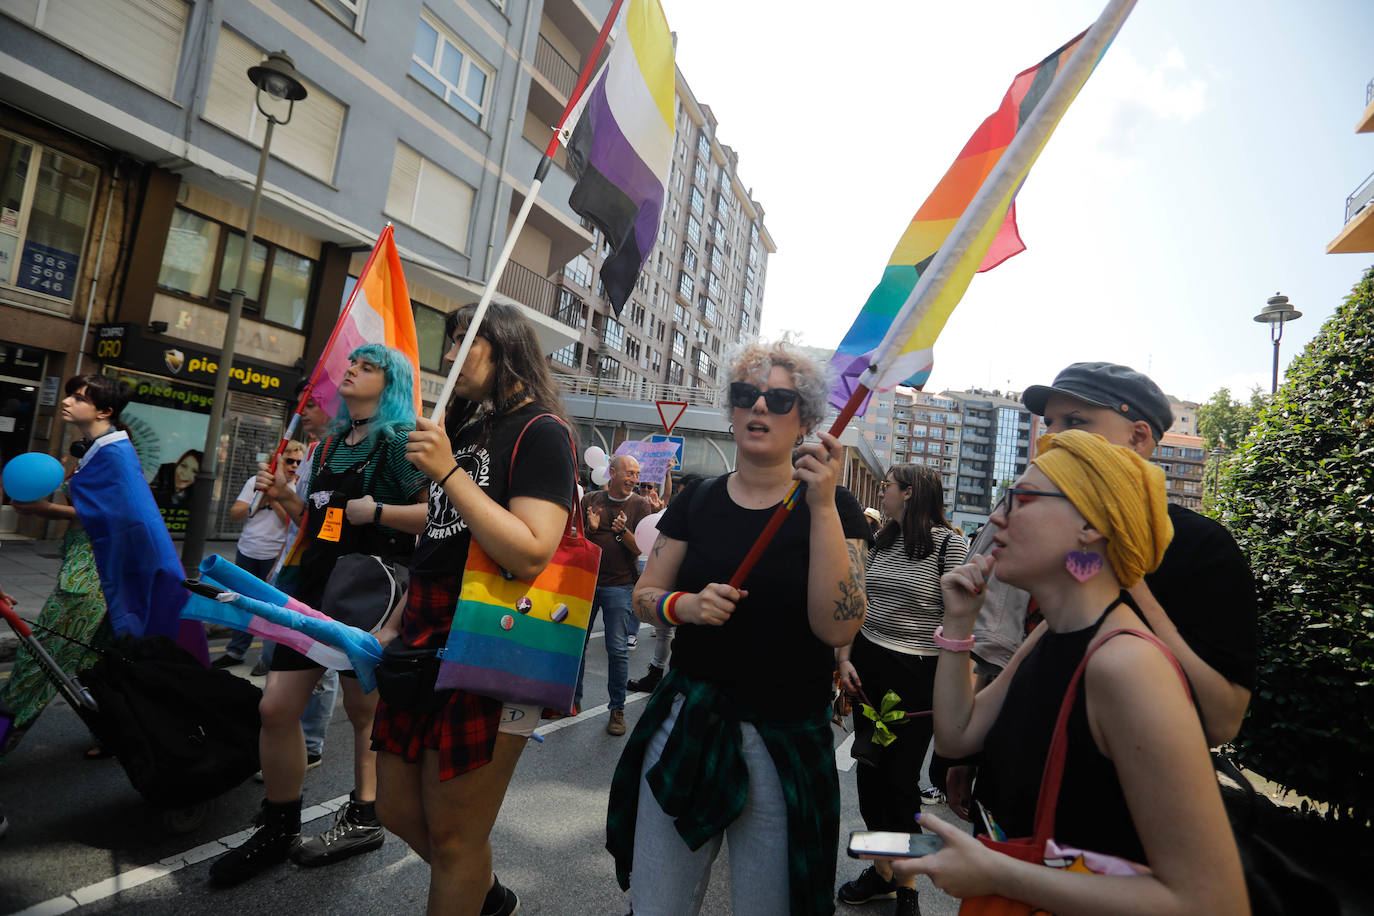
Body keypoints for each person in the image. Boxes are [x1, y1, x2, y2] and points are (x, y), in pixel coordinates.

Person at [889, 429, 1247, 914]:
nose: (996, 517)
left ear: (1091, 526)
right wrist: (957, 623)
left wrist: (998, 872)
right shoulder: (1052, 634)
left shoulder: (1127, 665)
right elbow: (955, 737)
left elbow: (1214, 902)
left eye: (1021, 500)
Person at [607, 340, 870, 916]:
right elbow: (644, 598)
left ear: (806, 417)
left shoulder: (837, 507)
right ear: (729, 410)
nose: (759, 409)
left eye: (779, 399)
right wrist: (686, 607)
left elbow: (840, 624)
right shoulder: (696, 501)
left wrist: (822, 507)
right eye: (745, 396)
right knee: (658, 904)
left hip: (786, 735)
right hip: (688, 722)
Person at [370, 302, 576, 916]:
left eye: (469, 337)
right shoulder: (462, 428)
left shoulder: (543, 431)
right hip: (423, 631)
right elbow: (438, 537)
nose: (454, 351)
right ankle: (486, 897)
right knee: (395, 809)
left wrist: (450, 473)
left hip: (492, 636)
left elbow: (532, 552)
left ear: (505, 343)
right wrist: (393, 620)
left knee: (457, 835)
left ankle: (470, 890)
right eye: (451, 338)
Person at [209, 345, 428, 886]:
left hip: (369, 594)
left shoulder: (400, 441)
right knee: (276, 707)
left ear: (391, 382)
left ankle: (365, 814)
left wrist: (376, 511)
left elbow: (437, 519)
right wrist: (286, 496)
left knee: (364, 713)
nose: (351, 370)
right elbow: (319, 520)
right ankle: (280, 823)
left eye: (368, 366)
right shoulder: (329, 444)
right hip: (310, 588)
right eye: (352, 363)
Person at [975, 363, 1256, 747]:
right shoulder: (1033, 522)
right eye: (1049, 421)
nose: (1051, 437)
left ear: (1138, 437)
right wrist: (971, 755)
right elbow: (1004, 649)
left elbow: (1221, 721)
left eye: (1075, 422)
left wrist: (1125, 573)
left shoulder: (1200, 544)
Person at [835, 464, 967, 915]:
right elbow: (861, 603)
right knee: (870, 779)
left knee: (900, 781)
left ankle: (907, 884)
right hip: (868, 667)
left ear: (908, 494)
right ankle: (882, 873)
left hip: (919, 676)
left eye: (887, 488)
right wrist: (845, 659)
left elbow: (959, 618)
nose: (881, 493)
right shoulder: (882, 541)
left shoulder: (951, 543)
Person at [1, 376, 127, 758]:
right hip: (87, 567)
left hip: (89, 576)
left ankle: (3, 739)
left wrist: (46, 509)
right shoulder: (90, 451)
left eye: (78, 397)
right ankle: (116, 733)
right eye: (69, 394)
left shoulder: (113, 452)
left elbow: (115, 516)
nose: (68, 402)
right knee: (97, 663)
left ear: (104, 411)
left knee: (40, 662)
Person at [573, 453, 651, 734]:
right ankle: (573, 700)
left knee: (617, 649)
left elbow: (641, 548)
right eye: (629, 473)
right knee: (577, 645)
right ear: (612, 472)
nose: (634, 478)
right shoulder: (591, 500)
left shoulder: (640, 505)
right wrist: (590, 531)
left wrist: (622, 533)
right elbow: (576, 540)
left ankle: (617, 710)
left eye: (637, 474)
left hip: (620, 585)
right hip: (588, 582)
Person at [214, 440, 306, 670]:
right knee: (240, 603)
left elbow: (295, 526)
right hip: (247, 551)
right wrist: (261, 497)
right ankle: (236, 651)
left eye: (299, 462)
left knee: (272, 611)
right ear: (278, 459)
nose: (294, 466)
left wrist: (276, 498)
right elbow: (235, 513)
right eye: (289, 460)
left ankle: (268, 659)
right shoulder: (256, 483)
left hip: (274, 558)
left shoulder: (298, 489)